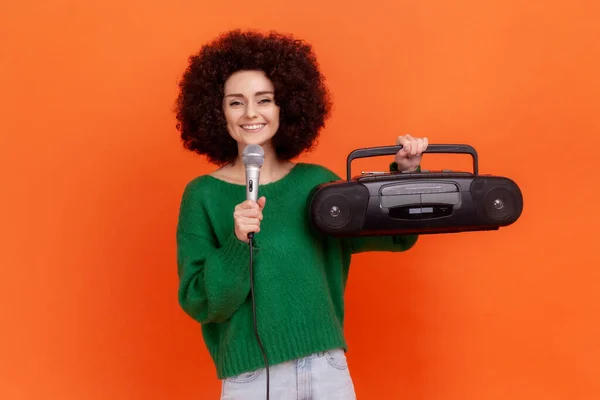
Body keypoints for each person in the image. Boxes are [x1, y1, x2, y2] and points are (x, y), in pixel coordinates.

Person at [174, 29, 429, 399]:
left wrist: (406, 177)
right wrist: (235, 243)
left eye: (265, 99)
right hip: (248, 378)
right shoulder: (202, 195)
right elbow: (201, 302)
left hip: (325, 370)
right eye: (235, 102)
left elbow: (396, 235)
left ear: (286, 106)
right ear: (217, 111)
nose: (250, 113)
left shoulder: (318, 185)